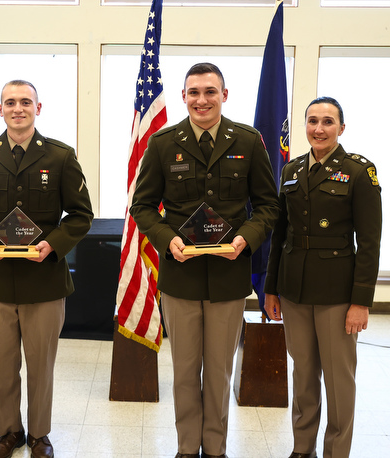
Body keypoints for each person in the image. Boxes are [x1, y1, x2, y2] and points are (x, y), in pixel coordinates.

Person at [130, 62, 279, 458]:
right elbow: (142, 207)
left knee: (218, 372)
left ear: (224, 96)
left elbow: (268, 205)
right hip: (180, 277)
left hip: (229, 276)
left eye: (210, 92)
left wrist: (246, 238)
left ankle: (214, 449)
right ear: (183, 97)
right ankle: (185, 449)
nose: (202, 100)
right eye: (194, 92)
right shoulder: (163, 143)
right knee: (183, 373)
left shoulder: (248, 142)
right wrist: (167, 239)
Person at [0, 80, 93, 458]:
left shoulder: (61, 156)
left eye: (25, 102)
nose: (18, 108)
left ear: (38, 107)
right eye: (10, 102)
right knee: (2, 364)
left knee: (41, 365)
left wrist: (53, 245)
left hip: (44, 280)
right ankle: (9, 433)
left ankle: (39, 435)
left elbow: (81, 216)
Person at [264, 96, 382, 458]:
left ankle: (335, 452)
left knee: (338, 380)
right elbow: (279, 236)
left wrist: (361, 301)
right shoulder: (291, 170)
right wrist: (271, 289)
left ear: (341, 128)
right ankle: (303, 449)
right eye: (312, 121)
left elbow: (371, 241)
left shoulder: (360, 171)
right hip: (295, 289)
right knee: (303, 375)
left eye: (328, 122)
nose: (319, 128)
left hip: (337, 293)